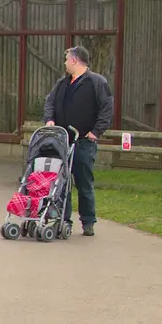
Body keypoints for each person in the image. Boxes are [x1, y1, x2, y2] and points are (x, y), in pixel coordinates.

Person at [43, 45, 113, 236]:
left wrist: (96, 131)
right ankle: (62, 219)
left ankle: (88, 221)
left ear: (74, 60)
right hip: (62, 141)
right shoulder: (63, 83)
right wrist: (49, 119)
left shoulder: (96, 82)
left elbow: (107, 108)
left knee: (84, 183)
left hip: (83, 142)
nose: (65, 63)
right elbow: (49, 101)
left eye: (67, 59)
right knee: (61, 183)